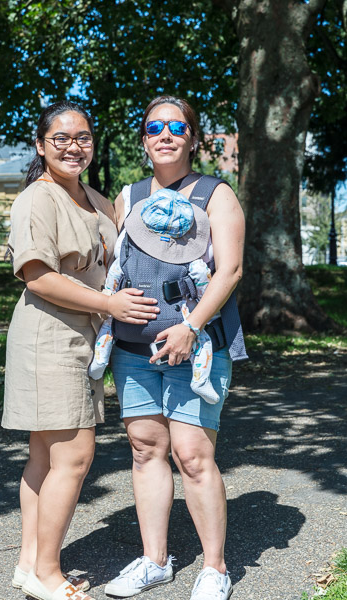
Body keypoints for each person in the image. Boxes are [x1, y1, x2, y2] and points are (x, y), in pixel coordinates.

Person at [2, 100, 159, 600]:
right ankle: (48, 573)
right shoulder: (37, 199)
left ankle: (30, 564)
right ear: (41, 145)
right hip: (49, 335)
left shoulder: (95, 197)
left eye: (84, 137)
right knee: (74, 456)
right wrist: (109, 303)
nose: (74, 147)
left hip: (84, 336)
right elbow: (38, 275)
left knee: (46, 458)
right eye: (61, 139)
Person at [104, 96, 247, 600]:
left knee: (192, 455)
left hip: (198, 348)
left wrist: (190, 326)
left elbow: (229, 271)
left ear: (192, 137)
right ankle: (154, 561)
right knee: (146, 450)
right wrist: (112, 302)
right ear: (143, 138)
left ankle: (215, 568)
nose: (165, 134)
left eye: (176, 126)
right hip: (132, 349)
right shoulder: (128, 196)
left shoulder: (216, 193)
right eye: (154, 127)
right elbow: (113, 263)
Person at [89, 188, 220, 405]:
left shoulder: (128, 251)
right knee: (203, 339)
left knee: (109, 325)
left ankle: (100, 361)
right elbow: (204, 285)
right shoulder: (190, 258)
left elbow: (115, 274)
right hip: (178, 318)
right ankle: (200, 379)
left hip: (128, 322)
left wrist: (109, 297)